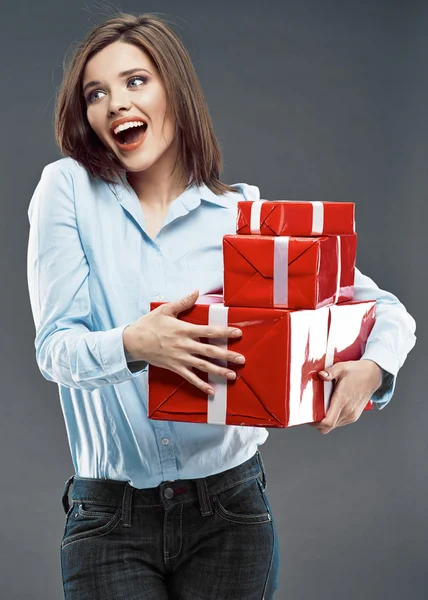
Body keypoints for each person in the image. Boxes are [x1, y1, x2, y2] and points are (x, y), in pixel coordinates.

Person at [26, 12, 416, 600]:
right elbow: (55, 349)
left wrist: (372, 369)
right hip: (109, 517)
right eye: (96, 93)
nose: (113, 104)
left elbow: (386, 308)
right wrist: (135, 343)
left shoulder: (244, 217)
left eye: (135, 82)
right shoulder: (68, 191)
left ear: (174, 92)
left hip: (230, 511)